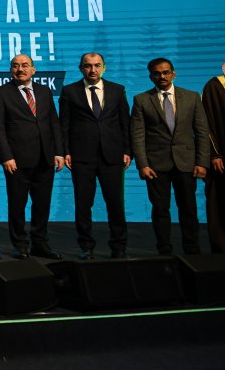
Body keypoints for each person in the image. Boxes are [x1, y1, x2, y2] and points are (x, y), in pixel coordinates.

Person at [130, 57, 211, 255]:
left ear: (173, 74)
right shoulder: (141, 100)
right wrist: (142, 165)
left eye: (166, 72)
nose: (162, 76)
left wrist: (202, 163)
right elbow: (137, 135)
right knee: (160, 210)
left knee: (189, 210)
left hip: (187, 163)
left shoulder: (192, 97)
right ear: (151, 76)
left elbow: (202, 131)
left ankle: (192, 250)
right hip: (156, 166)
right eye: (157, 73)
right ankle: (164, 251)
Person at [0, 54, 65, 260]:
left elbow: (53, 123)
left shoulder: (44, 91)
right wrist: (6, 156)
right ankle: (20, 245)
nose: (20, 69)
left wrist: (58, 152)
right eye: (15, 66)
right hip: (17, 160)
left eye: (24, 66)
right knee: (17, 204)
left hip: (45, 158)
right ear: (10, 70)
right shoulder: (1, 93)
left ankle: (40, 243)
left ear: (33, 69)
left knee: (42, 204)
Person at [59, 52, 131, 260]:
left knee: (115, 203)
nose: (93, 70)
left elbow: (125, 123)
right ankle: (86, 246)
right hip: (81, 156)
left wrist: (127, 151)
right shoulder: (69, 91)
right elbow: (64, 125)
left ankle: (119, 247)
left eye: (97, 65)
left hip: (113, 155)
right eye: (88, 66)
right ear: (81, 68)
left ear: (104, 68)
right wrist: (65, 152)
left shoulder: (118, 90)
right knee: (83, 204)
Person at [202, 61, 225, 253]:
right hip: (222, 158)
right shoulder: (215, 86)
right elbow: (206, 125)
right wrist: (214, 154)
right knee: (220, 203)